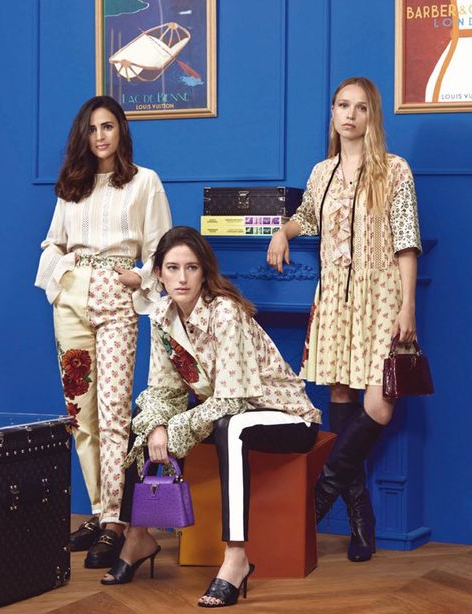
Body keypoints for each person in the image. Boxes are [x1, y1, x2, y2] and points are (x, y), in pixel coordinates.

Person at [104, 227, 321, 608]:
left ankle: (236, 558)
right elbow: (164, 391)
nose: (182, 278)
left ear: (204, 272)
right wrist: (157, 426)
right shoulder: (162, 316)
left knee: (230, 426)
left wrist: (174, 429)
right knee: (144, 416)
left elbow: (233, 400)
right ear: (159, 273)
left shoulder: (225, 312)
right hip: (225, 412)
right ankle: (137, 537)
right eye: (173, 268)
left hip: (285, 415)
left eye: (191, 267)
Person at [266, 76, 422, 563]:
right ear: (333, 113)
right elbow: (309, 216)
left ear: (372, 115)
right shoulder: (322, 172)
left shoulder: (395, 170)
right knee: (339, 396)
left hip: (382, 297)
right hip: (335, 297)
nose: (349, 114)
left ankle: (316, 500)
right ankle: (360, 522)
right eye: (342, 105)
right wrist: (283, 231)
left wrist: (408, 305)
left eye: (360, 107)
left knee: (379, 406)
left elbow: (406, 240)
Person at [35, 95, 172, 568]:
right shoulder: (71, 186)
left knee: (114, 413)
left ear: (121, 131)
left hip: (117, 299)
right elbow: (54, 240)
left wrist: (141, 276)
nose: (100, 136)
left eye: (108, 126)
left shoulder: (144, 182)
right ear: (83, 135)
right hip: (72, 298)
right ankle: (98, 510)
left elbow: (162, 247)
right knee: (81, 417)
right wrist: (60, 277)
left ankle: (116, 520)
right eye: (92, 128)